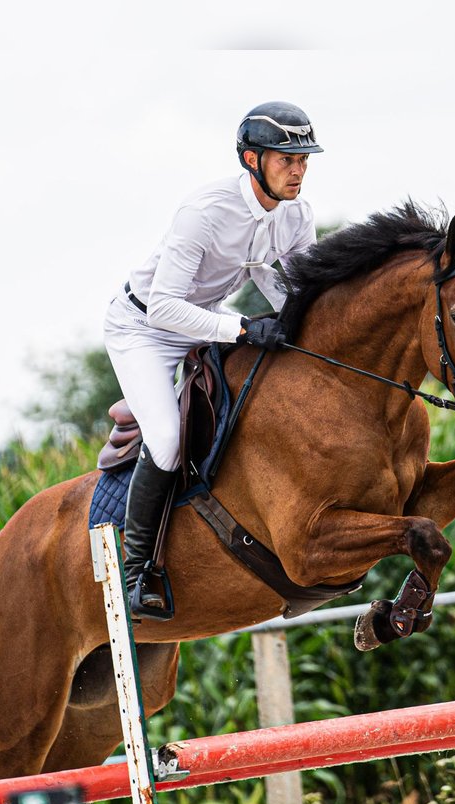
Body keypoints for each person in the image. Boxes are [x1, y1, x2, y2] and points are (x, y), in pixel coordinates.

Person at [103, 101, 323, 618]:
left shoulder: (297, 215)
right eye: (286, 159)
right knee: (166, 440)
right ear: (252, 159)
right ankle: (137, 575)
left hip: (206, 316)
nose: (298, 170)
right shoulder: (205, 212)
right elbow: (163, 306)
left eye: (304, 159)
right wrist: (244, 327)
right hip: (144, 328)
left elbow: (292, 287)